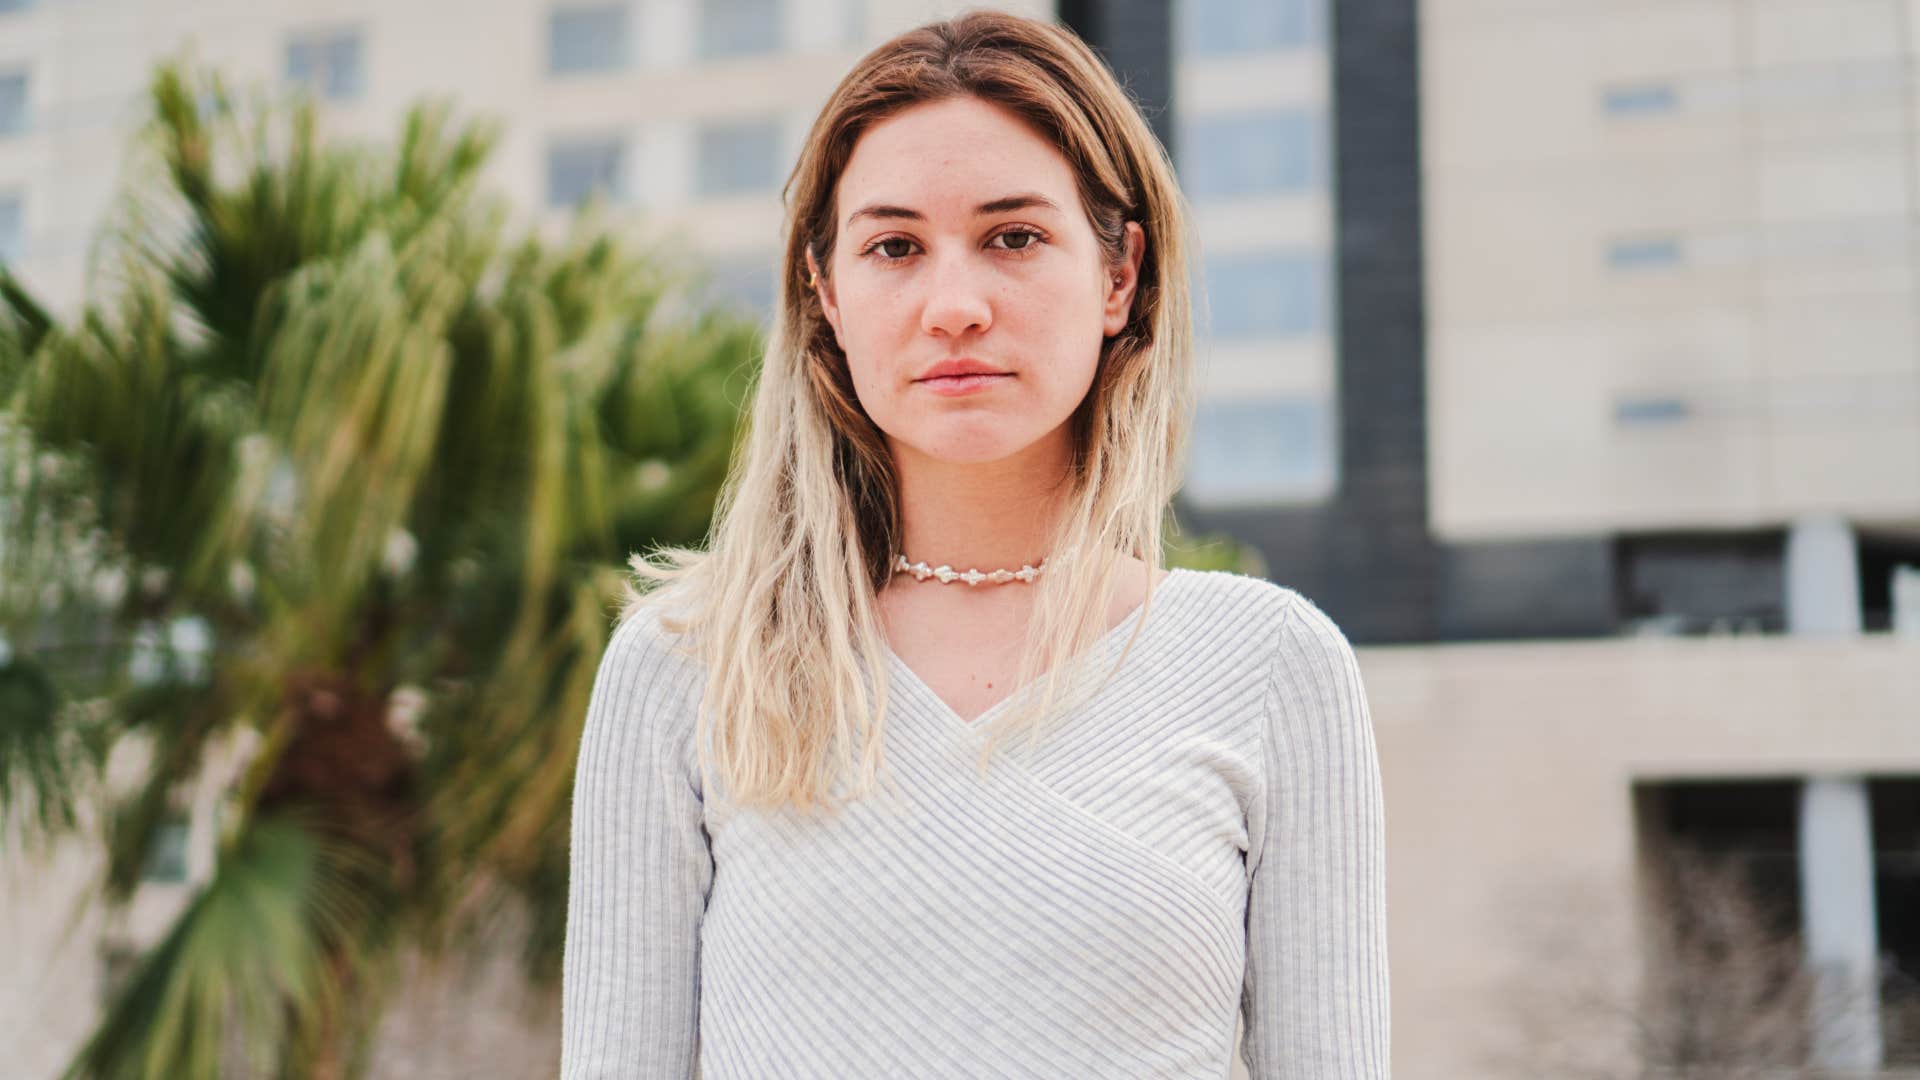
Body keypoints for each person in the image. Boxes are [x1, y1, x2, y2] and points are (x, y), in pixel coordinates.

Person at [559, 10, 1388, 1078]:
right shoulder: (685, 665)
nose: (955, 306)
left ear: (1120, 274)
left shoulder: (1273, 665)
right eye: (894, 247)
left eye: (1013, 237)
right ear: (827, 294)